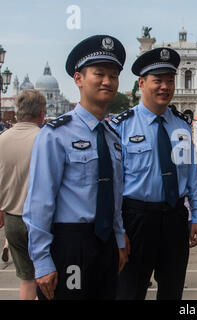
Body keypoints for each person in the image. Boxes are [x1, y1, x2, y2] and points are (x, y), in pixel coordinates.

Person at [22, 35, 128, 300]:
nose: (107, 81)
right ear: (78, 79)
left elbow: (114, 197)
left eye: (114, 75)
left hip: (106, 246)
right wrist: (42, 261)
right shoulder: (56, 134)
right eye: (99, 73)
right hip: (71, 242)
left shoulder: (112, 137)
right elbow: (39, 202)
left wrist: (119, 239)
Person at [111, 47, 197, 300]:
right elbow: (113, 185)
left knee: (172, 291)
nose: (165, 86)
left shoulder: (181, 126)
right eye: (158, 81)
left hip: (175, 219)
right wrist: (118, 230)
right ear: (142, 83)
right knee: (129, 291)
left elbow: (191, 177)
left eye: (170, 80)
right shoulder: (121, 126)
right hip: (136, 219)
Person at [0, 89, 46, 299]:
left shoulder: (3, 139)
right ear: (42, 113)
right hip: (41, 221)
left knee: (27, 280)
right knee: (47, 278)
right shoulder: (45, 140)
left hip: (12, 219)